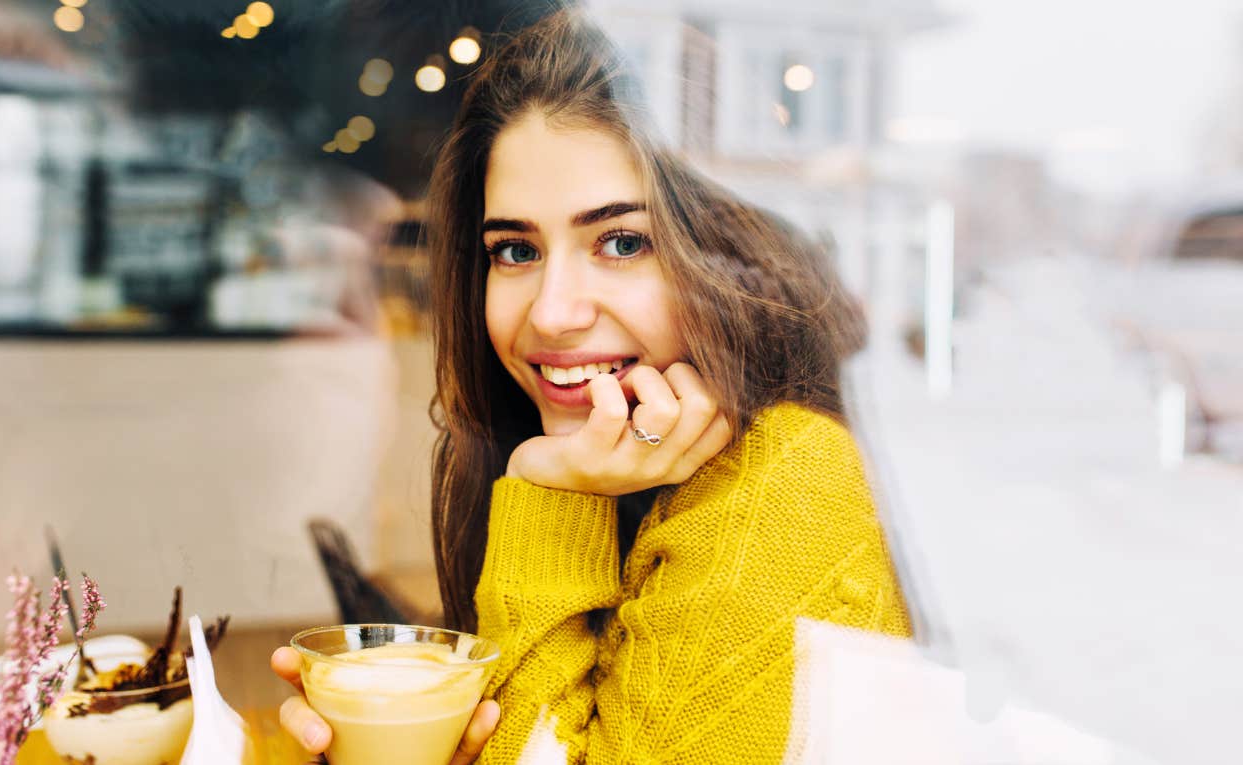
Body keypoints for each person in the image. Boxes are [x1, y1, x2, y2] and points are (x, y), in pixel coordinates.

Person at [272, 9, 911, 763]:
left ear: (729, 258)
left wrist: (548, 494)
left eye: (622, 242)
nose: (551, 312)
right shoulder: (615, 475)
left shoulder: (785, 486)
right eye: (514, 250)